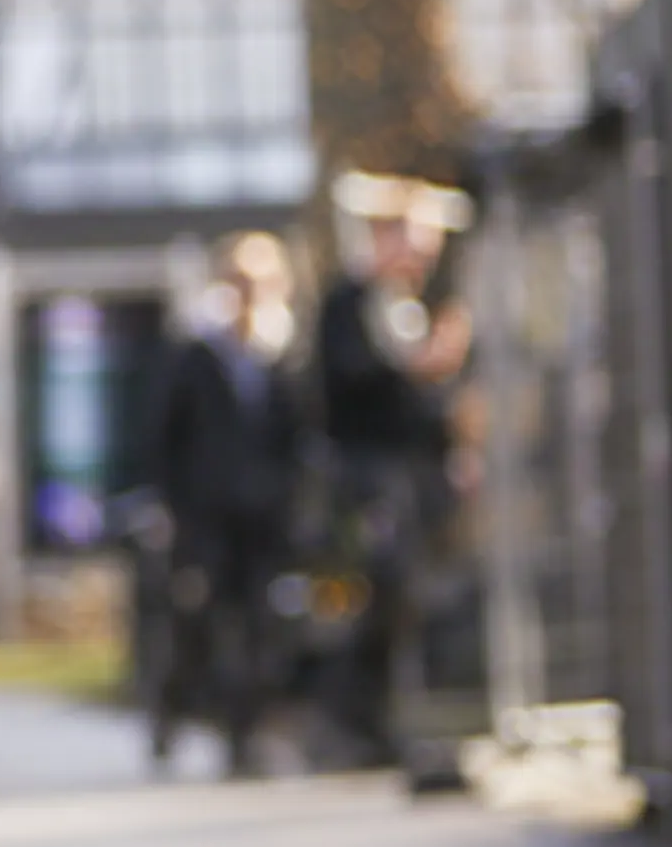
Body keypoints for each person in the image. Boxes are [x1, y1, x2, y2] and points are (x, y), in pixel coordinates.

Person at [313, 178, 469, 767]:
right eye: (416, 247)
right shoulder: (349, 303)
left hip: (409, 480)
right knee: (380, 590)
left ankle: (383, 720)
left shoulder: (404, 307)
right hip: (367, 479)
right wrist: (420, 366)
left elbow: (419, 409)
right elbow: (355, 383)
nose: (423, 263)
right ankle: (349, 717)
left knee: (408, 599)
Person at [145, 232, 304, 775]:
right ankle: (171, 709)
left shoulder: (281, 355)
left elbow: (295, 438)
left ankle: (244, 734)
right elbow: (164, 437)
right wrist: (173, 511)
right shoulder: (195, 353)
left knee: (259, 625)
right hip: (205, 517)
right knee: (200, 625)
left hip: (262, 518)